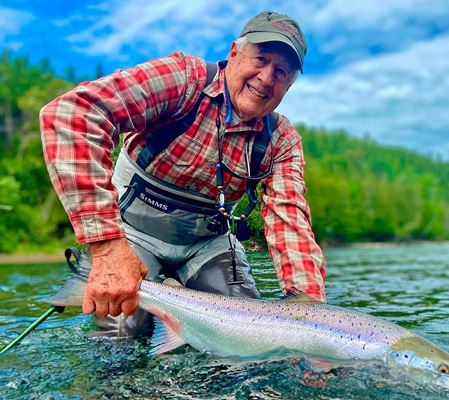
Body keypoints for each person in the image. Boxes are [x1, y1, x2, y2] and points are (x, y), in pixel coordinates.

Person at [40, 11, 326, 337]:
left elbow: (292, 227)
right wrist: (106, 249)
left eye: (282, 72)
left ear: (289, 85)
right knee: (121, 334)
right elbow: (73, 114)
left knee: (242, 337)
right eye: (260, 59)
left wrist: (314, 326)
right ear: (234, 53)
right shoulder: (183, 78)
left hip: (207, 244)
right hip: (129, 233)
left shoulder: (281, 140)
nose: (266, 77)